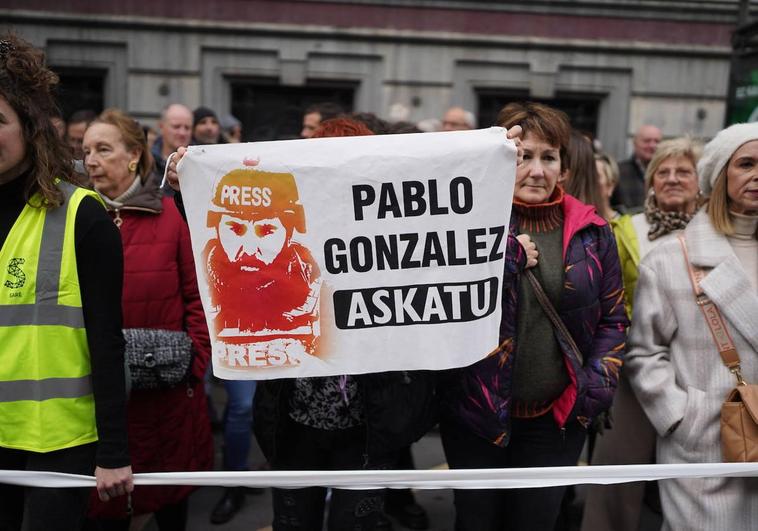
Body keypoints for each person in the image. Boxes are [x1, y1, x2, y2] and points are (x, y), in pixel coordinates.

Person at [440, 101, 628, 531]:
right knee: (476, 522)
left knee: (536, 521)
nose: (537, 171)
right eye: (523, 156)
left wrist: (593, 389)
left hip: (556, 420)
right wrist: (506, 258)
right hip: (477, 416)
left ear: (564, 168)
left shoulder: (593, 232)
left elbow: (613, 317)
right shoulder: (461, 221)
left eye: (549, 157)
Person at [0, 34, 132, 530]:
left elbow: (106, 341)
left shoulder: (83, 215)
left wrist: (114, 451)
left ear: (32, 127)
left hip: (58, 443)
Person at [82, 108, 213, 530]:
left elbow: (197, 298)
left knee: (170, 505)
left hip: (167, 395)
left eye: (103, 149)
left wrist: (194, 366)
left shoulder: (172, 215)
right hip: (99, 394)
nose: (91, 161)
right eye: (85, 151)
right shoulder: (77, 216)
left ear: (134, 156)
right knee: (106, 511)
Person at [625, 122, 758, 530]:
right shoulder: (671, 258)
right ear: (719, 175)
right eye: (746, 164)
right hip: (706, 446)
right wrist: (682, 418)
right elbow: (644, 352)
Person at [581, 137, 703, 531]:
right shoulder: (624, 228)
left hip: (699, 369)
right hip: (632, 370)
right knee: (616, 477)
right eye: (662, 172)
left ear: (701, 180)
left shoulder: (716, 232)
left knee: (699, 480)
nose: (672, 179)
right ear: (649, 181)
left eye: (683, 171)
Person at [612, 124, 662, 211]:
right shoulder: (617, 172)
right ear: (635, 143)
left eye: (657, 141)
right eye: (647, 141)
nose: (652, 145)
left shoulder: (668, 174)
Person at [151, 103, 193, 176]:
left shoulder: (200, 162)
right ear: (161, 127)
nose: (182, 133)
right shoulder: (146, 161)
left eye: (187, 128)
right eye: (176, 127)